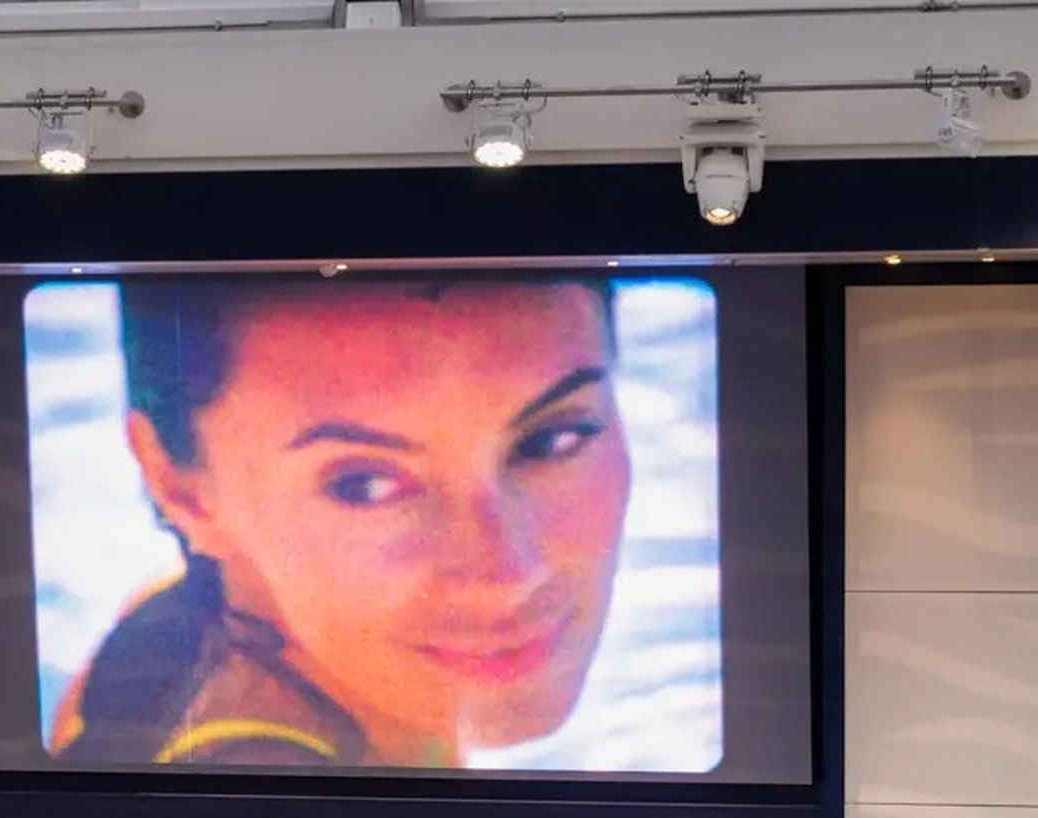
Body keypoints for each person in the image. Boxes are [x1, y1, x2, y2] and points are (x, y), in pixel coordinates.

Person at [50, 276, 634, 770]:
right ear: (177, 485)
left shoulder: (168, 627)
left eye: (552, 440)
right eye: (364, 485)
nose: (508, 574)